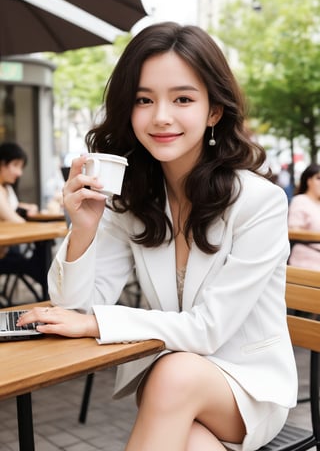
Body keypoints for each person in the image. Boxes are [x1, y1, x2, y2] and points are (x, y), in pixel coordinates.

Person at [18, 22, 297, 451]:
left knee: (172, 373)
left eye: (182, 99)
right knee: (191, 441)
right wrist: (85, 226)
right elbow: (74, 307)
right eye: (143, 100)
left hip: (247, 389)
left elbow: (207, 331)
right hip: (173, 392)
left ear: (214, 111)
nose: (161, 116)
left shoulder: (260, 202)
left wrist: (95, 323)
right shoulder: (133, 199)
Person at [0, 142, 41, 298]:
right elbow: (13, 219)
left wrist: (27, 207)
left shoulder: (6, 188)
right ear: (2, 163)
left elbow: (11, 207)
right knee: (39, 259)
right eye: (15, 165)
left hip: (8, 249)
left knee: (39, 255)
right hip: (4, 254)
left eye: (21, 167)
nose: (19, 172)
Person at [288, 163, 320, 270]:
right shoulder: (300, 201)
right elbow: (294, 232)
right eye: (318, 178)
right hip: (307, 261)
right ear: (308, 180)